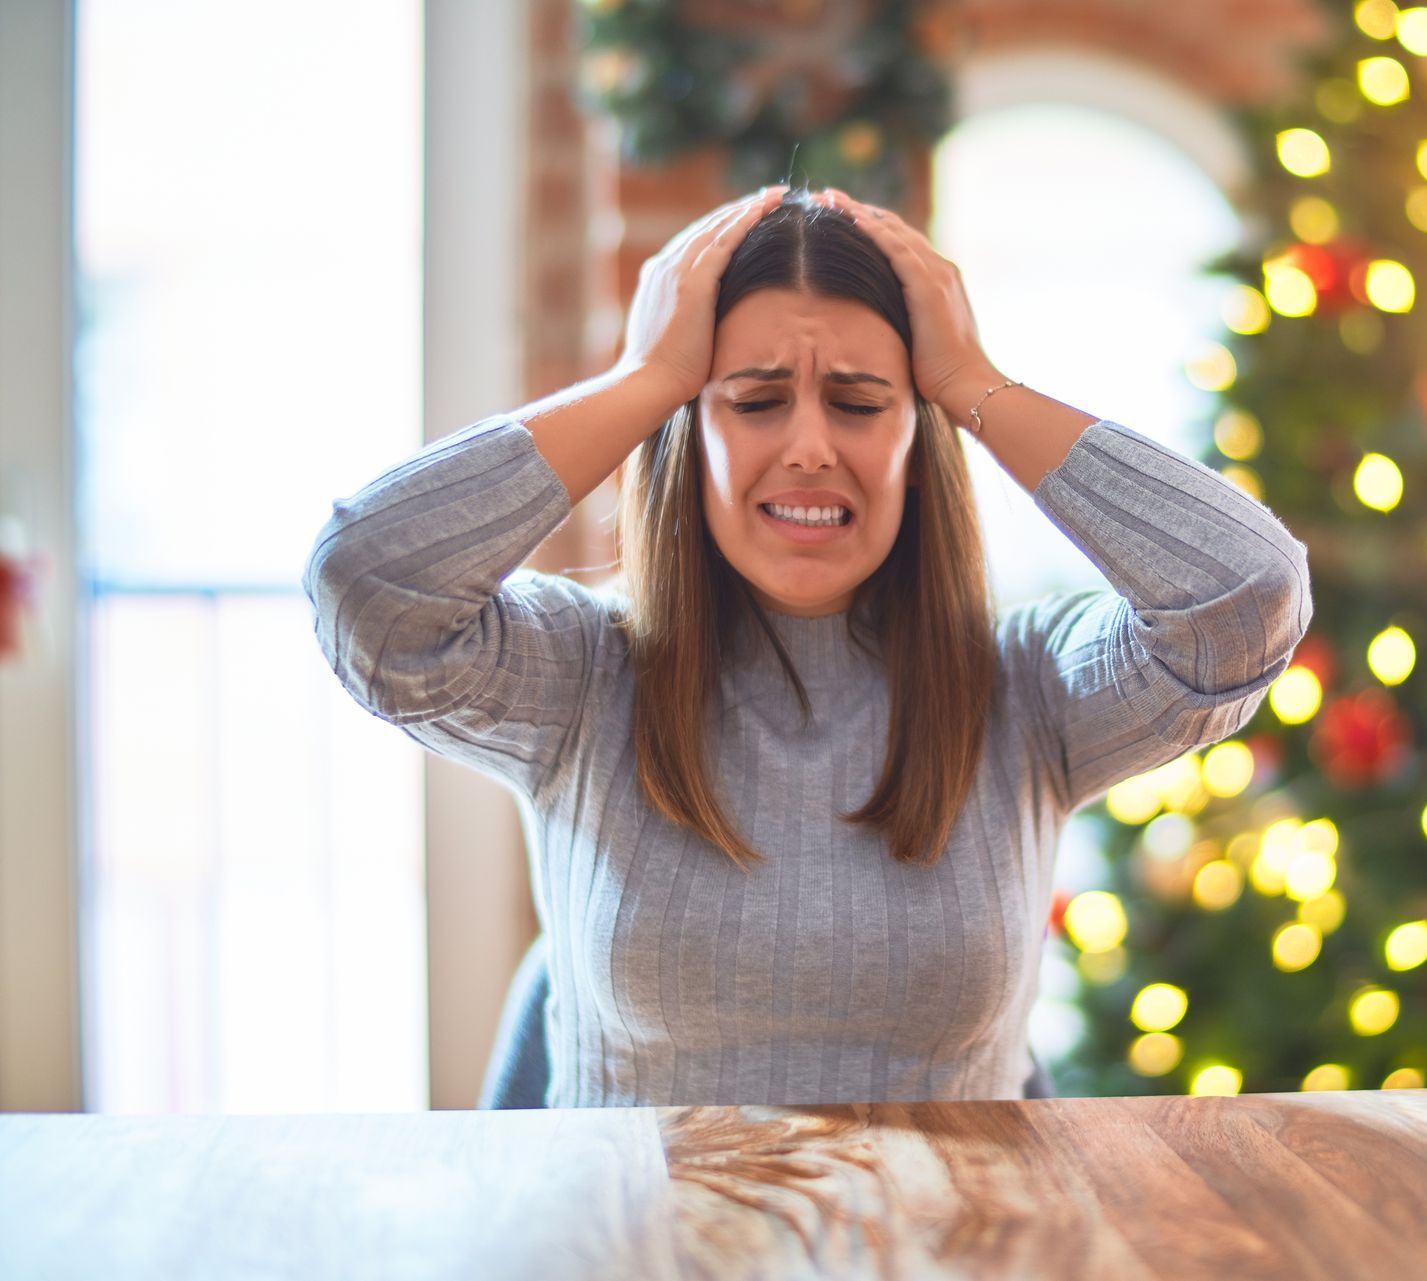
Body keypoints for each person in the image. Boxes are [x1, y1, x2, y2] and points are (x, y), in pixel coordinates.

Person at [303, 183, 1313, 1108]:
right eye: (752, 401)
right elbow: (370, 585)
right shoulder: (579, 676)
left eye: (861, 404)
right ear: (686, 433)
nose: (810, 446)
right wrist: (647, 377)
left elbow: (1244, 595)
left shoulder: (1027, 685)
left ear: (919, 446)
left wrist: (972, 383)